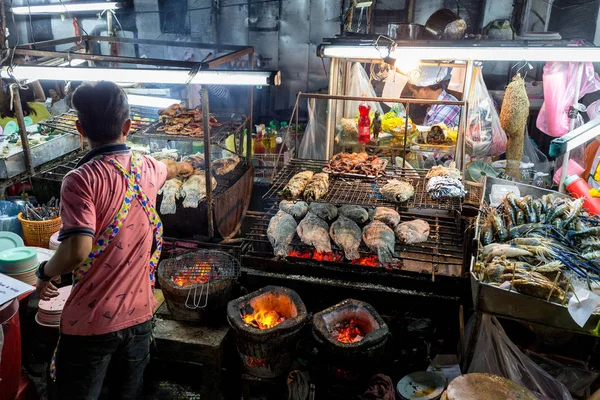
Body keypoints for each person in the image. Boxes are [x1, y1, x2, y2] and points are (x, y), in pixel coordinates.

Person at [35, 81, 177, 399]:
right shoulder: (149, 168)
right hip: (140, 317)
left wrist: (45, 271)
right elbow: (167, 168)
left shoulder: (79, 180)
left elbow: (76, 249)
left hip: (92, 322)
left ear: (80, 129)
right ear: (128, 126)